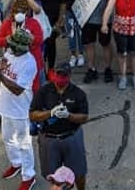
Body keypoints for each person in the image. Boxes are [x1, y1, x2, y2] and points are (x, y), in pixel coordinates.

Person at [30, 61, 90, 190]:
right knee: (54, 177)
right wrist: (50, 113)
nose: (61, 78)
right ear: (53, 74)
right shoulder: (44, 91)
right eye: (59, 74)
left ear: (69, 76)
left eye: (64, 75)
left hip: (71, 138)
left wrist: (69, 115)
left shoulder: (78, 93)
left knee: (79, 173)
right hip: (49, 139)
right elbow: (33, 114)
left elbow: (84, 117)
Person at [0, 27, 39, 190]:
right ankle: (16, 163)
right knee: (7, 138)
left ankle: (29, 175)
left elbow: (18, 90)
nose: (10, 48)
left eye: (13, 46)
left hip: (20, 110)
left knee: (24, 143)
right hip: (5, 106)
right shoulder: (9, 54)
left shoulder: (29, 63)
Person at [69, 0, 118, 84]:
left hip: (104, 18)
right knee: (89, 45)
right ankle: (91, 69)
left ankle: (108, 69)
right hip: (88, 17)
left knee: (106, 44)